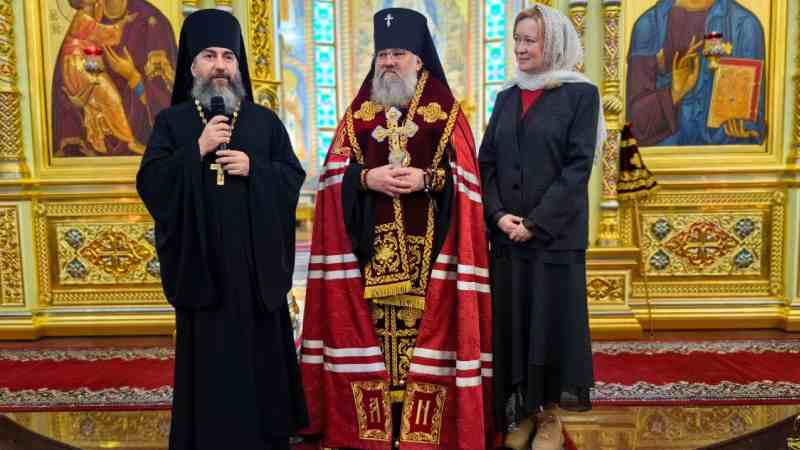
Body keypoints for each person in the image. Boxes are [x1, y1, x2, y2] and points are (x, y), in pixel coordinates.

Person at [299, 8, 494, 449]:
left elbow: (467, 180)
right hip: (368, 254)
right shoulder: (360, 112)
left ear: (419, 59)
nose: (388, 62)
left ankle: (420, 428)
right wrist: (367, 178)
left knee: (423, 335)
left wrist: (428, 179)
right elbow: (333, 174)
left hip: (431, 257)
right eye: (383, 54)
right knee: (373, 336)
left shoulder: (445, 112)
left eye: (398, 53)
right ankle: (376, 426)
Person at [136, 9, 307, 450]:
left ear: (238, 65)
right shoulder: (173, 123)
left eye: (228, 56)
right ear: (192, 66)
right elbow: (151, 184)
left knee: (261, 364)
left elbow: (292, 178)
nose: (220, 65)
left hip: (255, 275)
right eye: (209, 56)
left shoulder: (264, 122)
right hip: (204, 274)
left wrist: (256, 169)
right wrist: (197, 149)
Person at [478, 5, 605, 450]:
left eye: (529, 40)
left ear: (552, 43)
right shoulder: (506, 96)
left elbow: (577, 167)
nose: (520, 48)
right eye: (517, 39)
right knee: (514, 327)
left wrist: (535, 223)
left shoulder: (581, 94)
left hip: (554, 239)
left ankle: (550, 417)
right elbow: (486, 163)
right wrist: (498, 215)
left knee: (551, 327)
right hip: (507, 238)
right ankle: (522, 414)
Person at [626, 0, 765, 146]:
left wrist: (746, 126)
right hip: (666, 155)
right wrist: (675, 92)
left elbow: (754, 120)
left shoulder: (744, 26)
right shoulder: (649, 26)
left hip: (723, 154)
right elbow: (635, 125)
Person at [53, 0, 177, 156]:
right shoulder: (89, 15)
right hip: (93, 151)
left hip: (144, 147)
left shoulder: (152, 22)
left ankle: (126, 138)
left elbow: (167, 102)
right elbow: (64, 94)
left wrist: (132, 77)